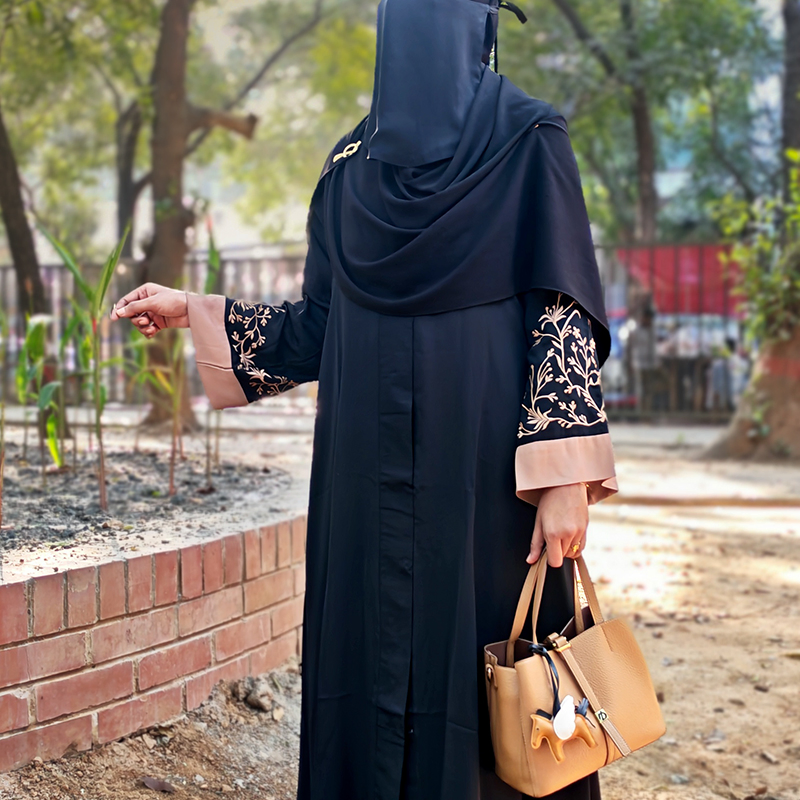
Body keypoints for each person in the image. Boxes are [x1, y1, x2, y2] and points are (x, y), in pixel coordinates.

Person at [111, 0, 618, 797]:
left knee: (490, 662)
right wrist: (196, 311)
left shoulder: (528, 140)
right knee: (368, 654)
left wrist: (564, 479)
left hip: (484, 476)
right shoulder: (351, 168)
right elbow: (321, 325)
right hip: (364, 475)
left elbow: (561, 309)